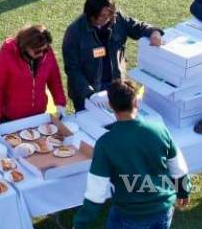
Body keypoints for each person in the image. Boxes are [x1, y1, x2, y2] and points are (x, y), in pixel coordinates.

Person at [74, 79, 189, 229]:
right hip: (163, 209)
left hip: (130, 215)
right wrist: (183, 191)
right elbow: (178, 168)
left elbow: (96, 191)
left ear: (110, 106)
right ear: (136, 102)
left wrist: (81, 222)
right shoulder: (160, 130)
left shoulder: (105, 143)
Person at [62, 0, 163, 111]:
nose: (107, 19)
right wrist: (90, 94)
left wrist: (154, 32)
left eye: (110, 14)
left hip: (115, 86)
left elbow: (137, 27)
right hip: (88, 92)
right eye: (102, 16)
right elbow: (72, 69)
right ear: (91, 15)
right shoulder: (75, 32)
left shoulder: (117, 18)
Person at [0, 24, 66, 127]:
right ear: (26, 47)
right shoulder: (6, 55)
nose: (42, 54)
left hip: (38, 116)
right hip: (11, 120)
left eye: (45, 50)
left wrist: (60, 103)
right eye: (37, 51)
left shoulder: (47, 53)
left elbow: (55, 79)